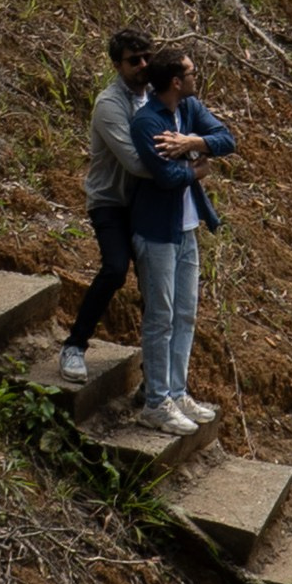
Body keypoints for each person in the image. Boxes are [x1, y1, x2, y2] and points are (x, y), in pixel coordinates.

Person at [126, 46, 235, 440]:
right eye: (191, 72)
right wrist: (198, 166)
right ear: (175, 81)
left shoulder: (189, 110)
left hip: (186, 229)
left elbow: (227, 139)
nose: (195, 76)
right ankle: (156, 403)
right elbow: (167, 177)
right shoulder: (145, 123)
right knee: (161, 317)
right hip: (157, 231)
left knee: (185, 313)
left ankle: (176, 391)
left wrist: (191, 144)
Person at [59, 29, 153, 385]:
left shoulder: (156, 95)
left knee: (154, 281)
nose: (142, 65)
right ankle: (74, 345)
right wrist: (182, 163)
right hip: (110, 202)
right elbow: (134, 162)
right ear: (117, 65)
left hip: (145, 202)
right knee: (115, 268)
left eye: (147, 56)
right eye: (134, 60)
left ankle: (153, 374)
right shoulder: (109, 105)